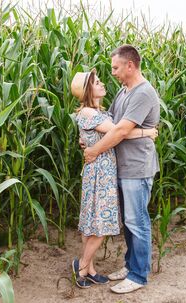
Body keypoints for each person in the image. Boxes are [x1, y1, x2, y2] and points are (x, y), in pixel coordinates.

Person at [70, 68, 158, 289]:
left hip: (105, 170)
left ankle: (89, 269)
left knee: (95, 221)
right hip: (101, 173)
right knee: (100, 224)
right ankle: (81, 268)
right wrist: (148, 132)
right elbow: (119, 132)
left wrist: (88, 143)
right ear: (87, 90)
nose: (102, 82)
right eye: (96, 82)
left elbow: (113, 129)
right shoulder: (90, 113)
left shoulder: (99, 110)